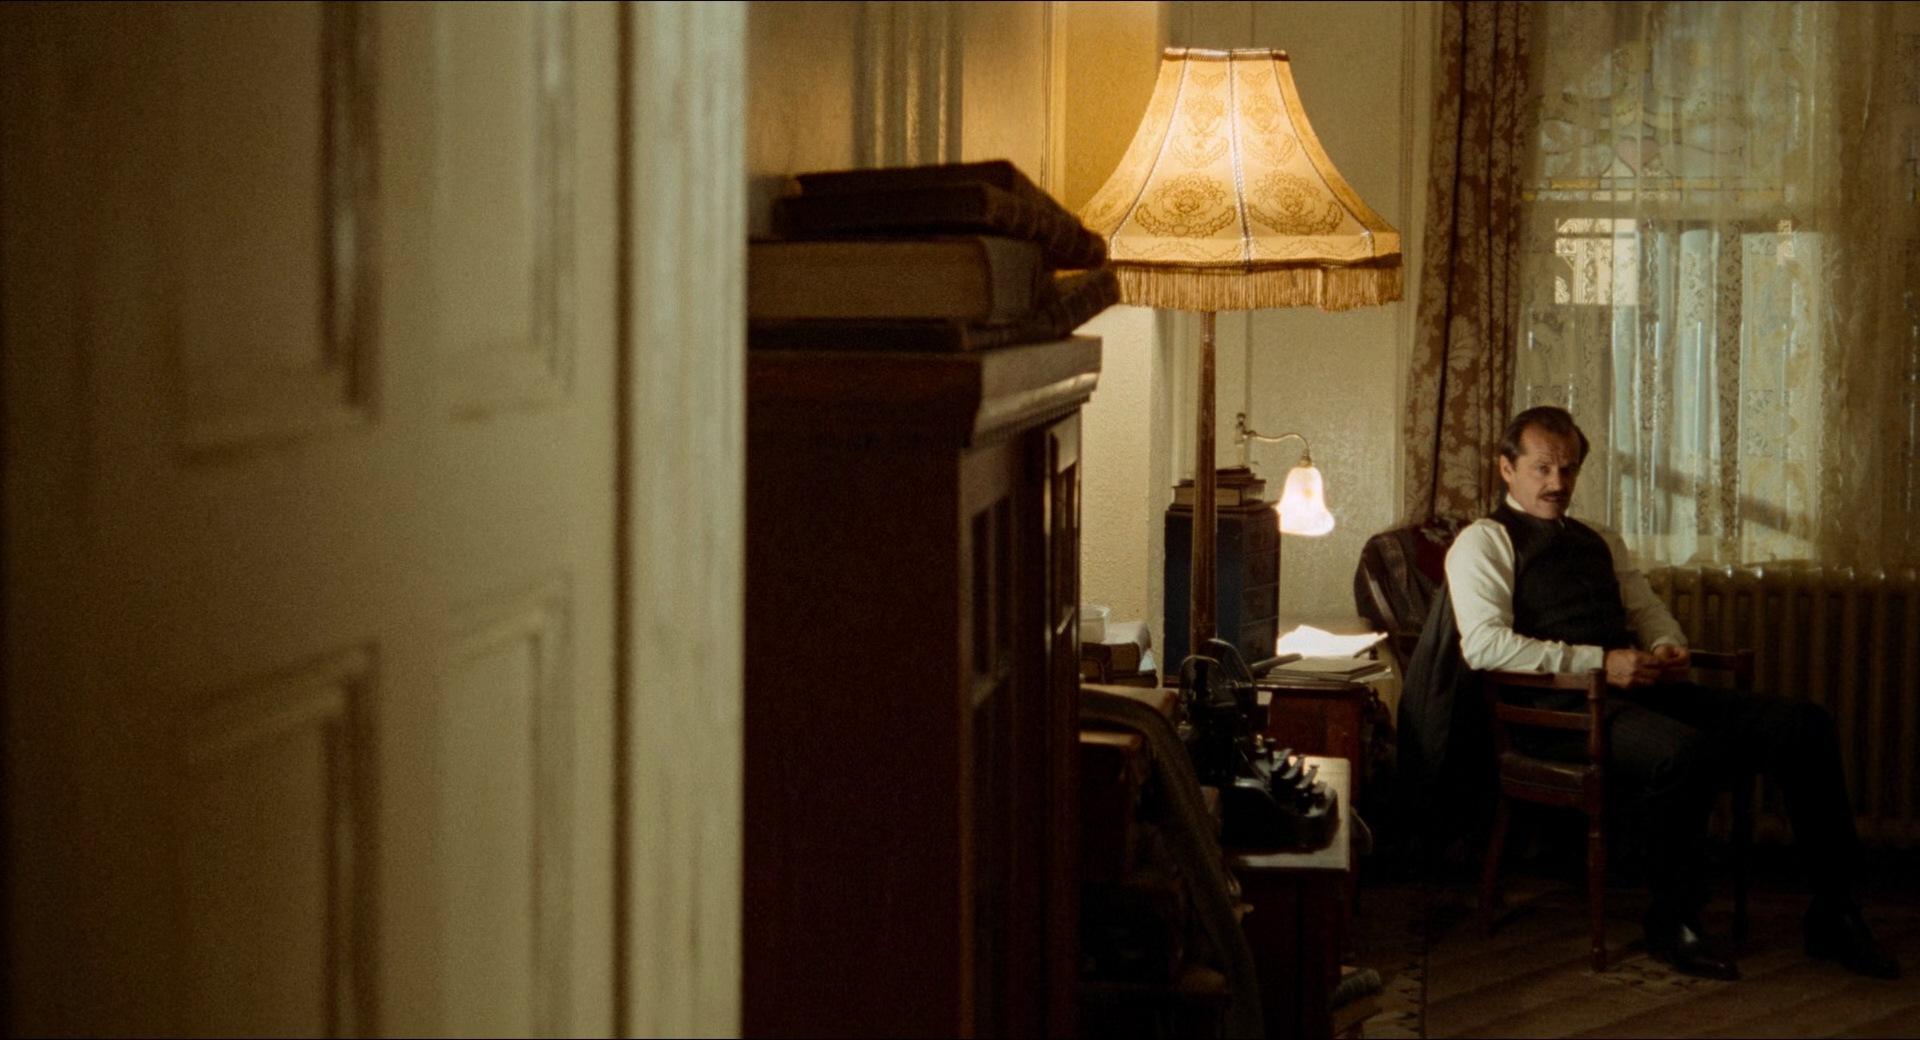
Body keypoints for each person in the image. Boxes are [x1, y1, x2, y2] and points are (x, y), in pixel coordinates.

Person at [1431, 405, 1897, 981]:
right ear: (1507, 468)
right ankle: (1672, 919)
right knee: (1683, 753)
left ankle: (1835, 913)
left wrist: (1667, 644)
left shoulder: (1599, 539)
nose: (1558, 483)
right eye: (1542, 468)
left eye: (1568, 469)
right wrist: (1601, 663)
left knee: (1804, 723)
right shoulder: (1485, 541)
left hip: (1632, 693)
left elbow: (1645, 608)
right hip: (1556, 713)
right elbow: (1486, 647)